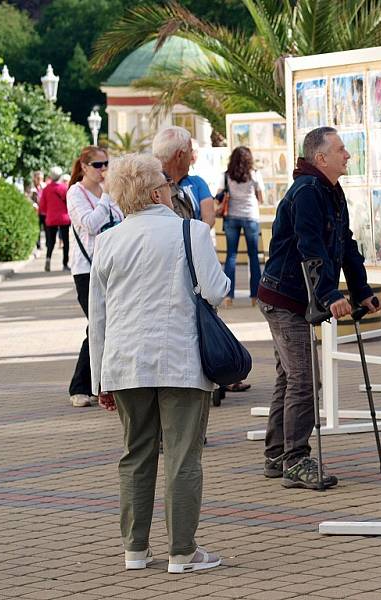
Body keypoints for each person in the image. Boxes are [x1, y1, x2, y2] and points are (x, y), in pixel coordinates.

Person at [90, 153, 229, 573]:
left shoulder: (109, 240)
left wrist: (100, 379)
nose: (171, 189)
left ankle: (135, 549)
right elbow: (216, 290)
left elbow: (97, 315)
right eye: (166, 184)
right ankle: (182, 552)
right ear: (155, 192)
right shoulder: (193, 232)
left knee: (136, 454)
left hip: (125, 361)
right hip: (181, 359)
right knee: (183, 456)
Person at [257, 126, 379, 489]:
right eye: (341, 150)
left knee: (290, 377)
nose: (348, 155)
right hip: (285, 298)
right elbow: (310, 249)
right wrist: (329, 294)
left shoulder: (330, 190)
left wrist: (361, 291)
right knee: (305, 379)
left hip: (294, 296)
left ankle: (278, 454)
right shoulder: (308, 192)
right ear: (321, 157)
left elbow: (345, 245)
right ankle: (295, 459)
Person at [65, 145, 124, 408]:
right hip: (87, 269)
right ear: (85, 166)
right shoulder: (76, 193)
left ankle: (105, 384)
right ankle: (81, 386)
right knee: (97, 326)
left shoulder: (108, 193)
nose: (104, 170)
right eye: (98, 165)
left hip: (112, 267)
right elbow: (89, 224)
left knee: (111, 326)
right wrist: (106, 197)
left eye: (106, 164)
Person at [219, 146, 264, 307]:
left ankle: (228, 296)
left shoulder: (226, 175)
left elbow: (219, 194)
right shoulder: (254, 174)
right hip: (251, 217)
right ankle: (255, 296)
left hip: (231, 217)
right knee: (254, 256)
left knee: (231, 256)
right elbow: (261, 198)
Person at [152, 126, 215, 227]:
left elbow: (209, 217)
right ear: (180, 155)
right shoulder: (154, 187)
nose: (191, 157)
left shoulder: (148, 183)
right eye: (191, 151)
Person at [38, 166, 70, 272]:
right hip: (64, 218)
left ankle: (48, 259)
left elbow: (42, 205)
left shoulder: (46, 189)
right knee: (65, 241)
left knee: (50, 241)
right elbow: (69, 203)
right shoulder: (64, 188)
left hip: (51, 218)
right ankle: (65, 264)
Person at [29, 170, 45, 251]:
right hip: (36, 212)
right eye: (38, 178)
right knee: (37, 229)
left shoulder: (44, 187)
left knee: (47, 229)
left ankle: (48, 244)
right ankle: (38, 245)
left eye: (41, 178)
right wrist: (34, 204)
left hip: (44, 212)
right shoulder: (32, 189)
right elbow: (29, 199)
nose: (40, 180)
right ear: (35, 178)